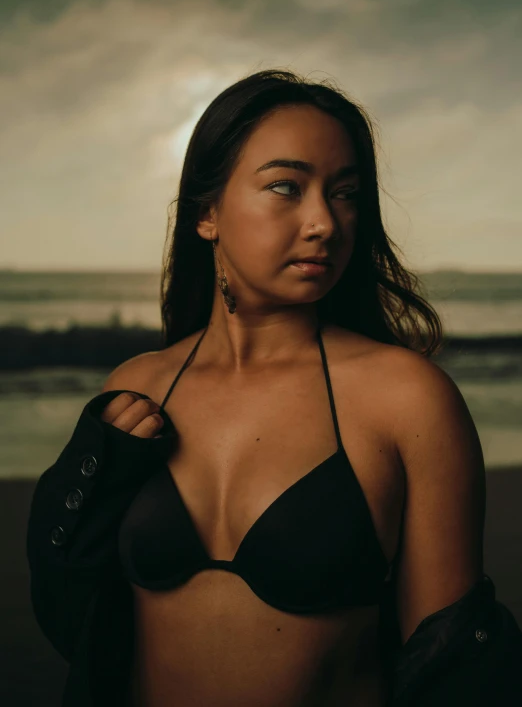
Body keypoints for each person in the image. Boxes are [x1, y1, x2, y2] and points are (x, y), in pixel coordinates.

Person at [26, 69, 521, 707]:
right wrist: (85, 480)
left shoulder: (405, 398)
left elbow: (451, 667)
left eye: (345, 194)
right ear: (207, 213)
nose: (324, 222)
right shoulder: (140, 386)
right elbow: (78, 616)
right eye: (286, 187)